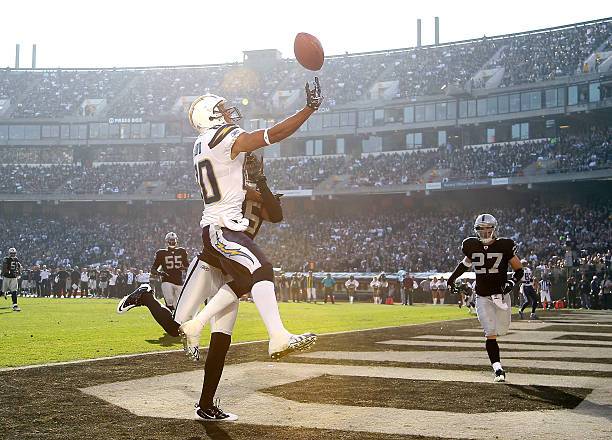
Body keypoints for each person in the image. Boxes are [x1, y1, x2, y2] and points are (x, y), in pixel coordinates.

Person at [118, 153, 287, 422]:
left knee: (221, 342)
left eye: (256, 161)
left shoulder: (258, 189)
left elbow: (275, 214)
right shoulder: (229, 186)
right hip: (210, 264)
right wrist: (251, 187)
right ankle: (147, 297)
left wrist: (261, 183)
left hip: (231, 269)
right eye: (249, 160)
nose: (251, 164)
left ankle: (206, 404)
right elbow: (228, 197)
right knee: (176, 329)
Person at [178, 83, 322, 373]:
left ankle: (196, 324)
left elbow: (232, 184)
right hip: (221, 227)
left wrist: (259, 188)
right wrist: (308, 109)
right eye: (221, 108)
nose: (229, 112)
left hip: (219, 225)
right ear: (211, 116)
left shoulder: (202, 143)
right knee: (263, 269)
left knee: (243, 282)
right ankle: (278, 337)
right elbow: (274, 134)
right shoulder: (222, 136)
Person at [447, 214, 524, 383]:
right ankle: (498, 368)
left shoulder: (505, 245)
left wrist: (511, 282)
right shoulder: (471, 246)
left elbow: (519, 270)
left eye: (488, 229)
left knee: (502, 330)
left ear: (494, 229)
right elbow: (464, 265)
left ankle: (497, 364)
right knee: (490, 333)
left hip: (501, 295)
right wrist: (451, 279)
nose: (485, 232)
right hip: (482, 295)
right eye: (481, 229)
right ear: (476, 230)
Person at [150, 232, 189, 311]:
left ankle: (174, 319)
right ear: (167, 241)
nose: (172, 242)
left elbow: (188, 266)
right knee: (169, 300)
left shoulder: (182, 251)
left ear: (176, 241)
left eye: (173, 240)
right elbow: (153, 269)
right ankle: (168, 318)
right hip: (167, 280)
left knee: (178, 304)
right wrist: (160, 273)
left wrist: (184, 268)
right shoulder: (161, 253)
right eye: (170, 240)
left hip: (179, 281)